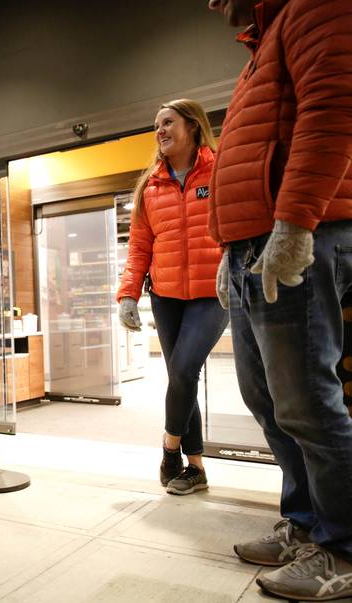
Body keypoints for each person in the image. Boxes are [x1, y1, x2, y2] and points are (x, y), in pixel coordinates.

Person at [207, 0, 352, 600]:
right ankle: (305, 522)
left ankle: (343, 549)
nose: (211, 2)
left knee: (308, 405)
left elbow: (335, 107)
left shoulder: (314, 5)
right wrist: (227, 246)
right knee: (266, 400)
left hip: (294, 235)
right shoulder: (262, 41)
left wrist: (295, 224)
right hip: (252, 245)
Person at [117, 99, 227, 495]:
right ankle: (195, 468)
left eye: (167, 122)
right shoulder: (151, 184)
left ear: (192, 126)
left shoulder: (220, 170)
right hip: (165, 296)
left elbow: (235, 224)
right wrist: (128, 294)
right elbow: (139, 246)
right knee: (182, 378)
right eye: (156, 126)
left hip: (212, 293)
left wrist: (235, 265)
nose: (160, 131)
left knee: (183, 371)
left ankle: (169, 450)